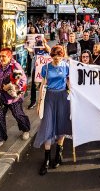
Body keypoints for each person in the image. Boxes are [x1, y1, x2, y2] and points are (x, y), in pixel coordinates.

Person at [33, 45, 72, 175]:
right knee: (47, 125)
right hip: (49, 97)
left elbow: (69, 83)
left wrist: (74, 96)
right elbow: (42, 85)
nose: (56, 58)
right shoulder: (46, 67)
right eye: (54, 55)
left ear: (62, 55)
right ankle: (47, 159)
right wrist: (39, 103)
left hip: (62, 97)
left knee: (61, 124)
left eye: (59, 55)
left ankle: (59, 154)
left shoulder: (66, 66)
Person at [0, 48, 31, 151]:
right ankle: (0, 138)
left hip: (13, 97)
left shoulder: (15, 66)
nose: (1, 58)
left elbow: (23, 80)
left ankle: (25, 129)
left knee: (18, 115)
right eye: (0, 56)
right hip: (1, 96)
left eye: (4, 56)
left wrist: (11, 87)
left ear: (9, 56)